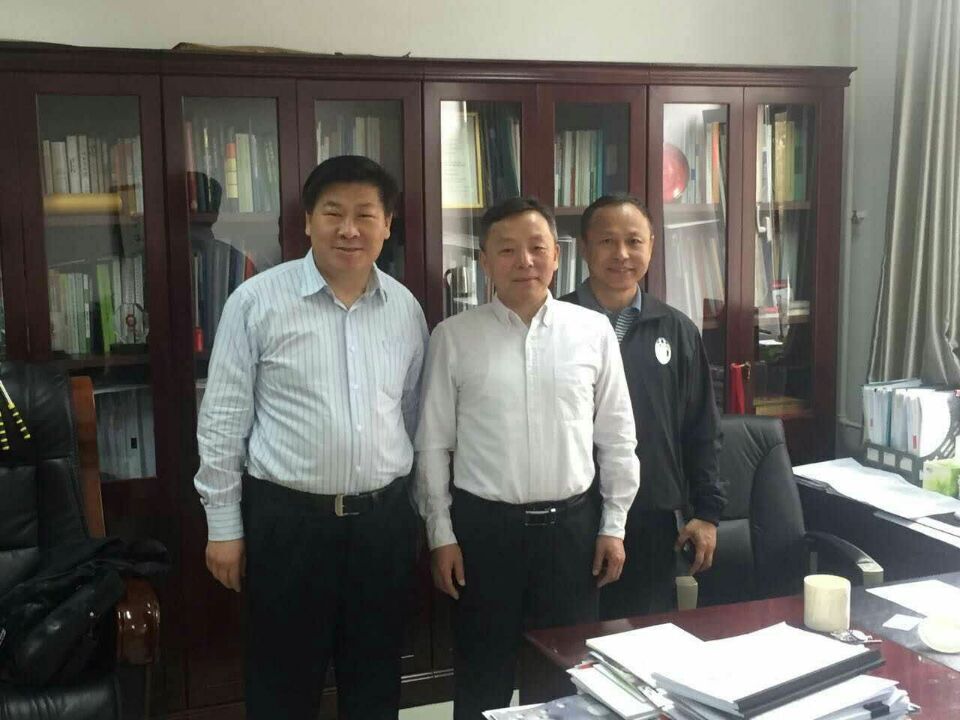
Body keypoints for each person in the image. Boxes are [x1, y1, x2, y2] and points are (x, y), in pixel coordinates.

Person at [194, 155, 429, 719]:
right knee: (282, 685)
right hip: (289, 526)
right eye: (333, 213)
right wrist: (223, 526)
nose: (349, 229)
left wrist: (419, 516)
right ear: (307, 221)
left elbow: (412, 414)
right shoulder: (256, 301)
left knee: (375, 681)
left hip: (383, 526)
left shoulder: (405, 308)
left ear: (387, 225)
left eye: (365, 215)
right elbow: (223, 419)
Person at [415, 197, 640, 720]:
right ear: (484, 261)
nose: (525, 262)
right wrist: (440, 534)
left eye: (537, 248)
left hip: (572, 534)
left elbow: (617, 438)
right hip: (484, 534)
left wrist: (614, 525)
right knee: (481, 677)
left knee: (565, 678)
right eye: (507, 250)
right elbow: (432, 445)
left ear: (557, 256)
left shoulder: (592, 332)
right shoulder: (454, 338)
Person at [560, 194, 726, 619]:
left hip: (650, 516)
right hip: (570, 517)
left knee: (642, 637)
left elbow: (702, 429)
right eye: (607, 241)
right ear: (584, 248)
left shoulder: (677, 329)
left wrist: (707, 513)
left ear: (651, 246)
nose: (621, 254)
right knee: (569, 639)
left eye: (634, 241)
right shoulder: (555, 322)